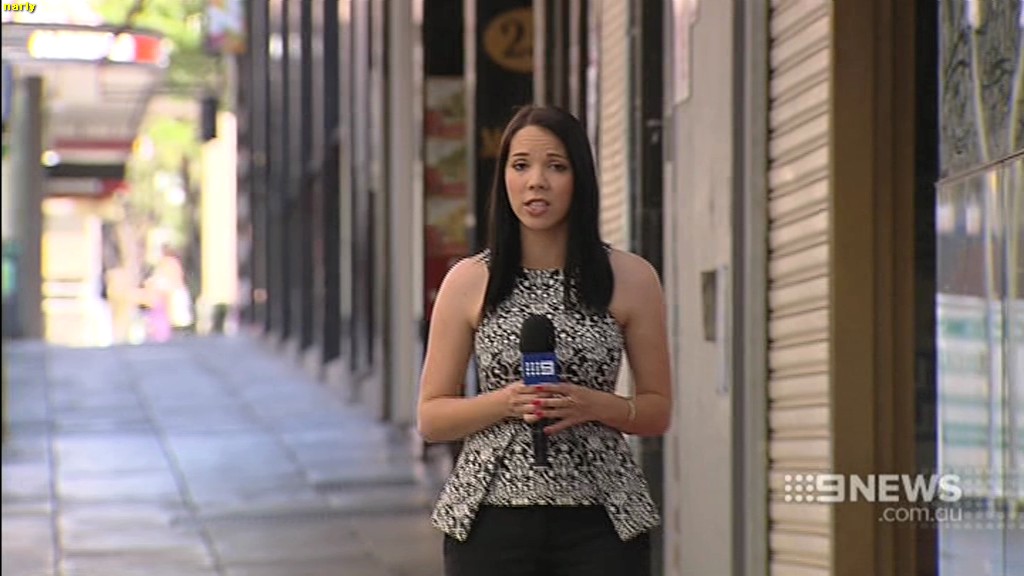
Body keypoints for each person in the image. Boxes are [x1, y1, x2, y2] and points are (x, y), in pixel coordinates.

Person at [417, 105, 673, 576]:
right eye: (521, 166)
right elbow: (432, 417)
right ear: (504, 179)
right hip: (490, 516)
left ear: (580, 179)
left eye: (556, 166)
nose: (536, 182)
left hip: (603, 518)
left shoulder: (631, 277)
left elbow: (657, 410)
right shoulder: (469, 280)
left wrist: (593, 405)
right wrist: (506, 403)